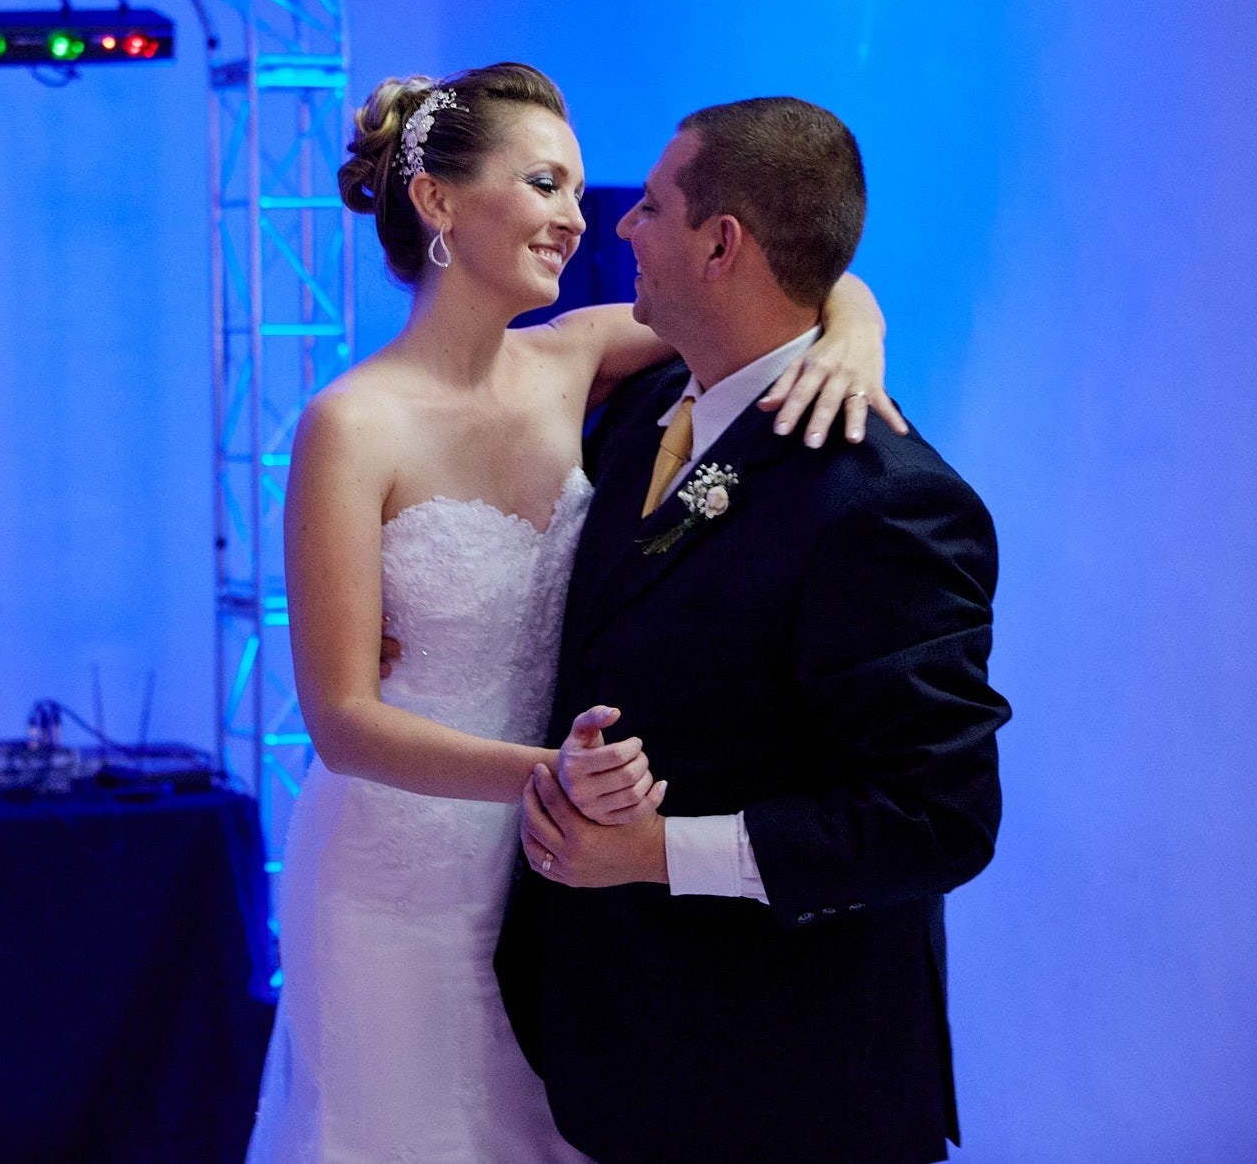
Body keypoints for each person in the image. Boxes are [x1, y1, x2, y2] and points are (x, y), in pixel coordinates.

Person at [245, 66, 901, 1162]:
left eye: (578, 189)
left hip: (557, 873)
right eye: (545, 183)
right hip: (399, 868)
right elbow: (341, 721)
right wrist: (546, 777)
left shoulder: (576, 358)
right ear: (439, 202)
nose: (572, 217)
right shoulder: (347, 424)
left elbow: (777, 281)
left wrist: (855, 328)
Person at [500, 98, 1008, 1163]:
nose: (621, 227)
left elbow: (936, 820)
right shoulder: (646, 413)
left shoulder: (881, 499)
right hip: (619, 1049)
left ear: (721, 243)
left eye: (649, 206)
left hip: (785, 1081)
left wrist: (651, 854)